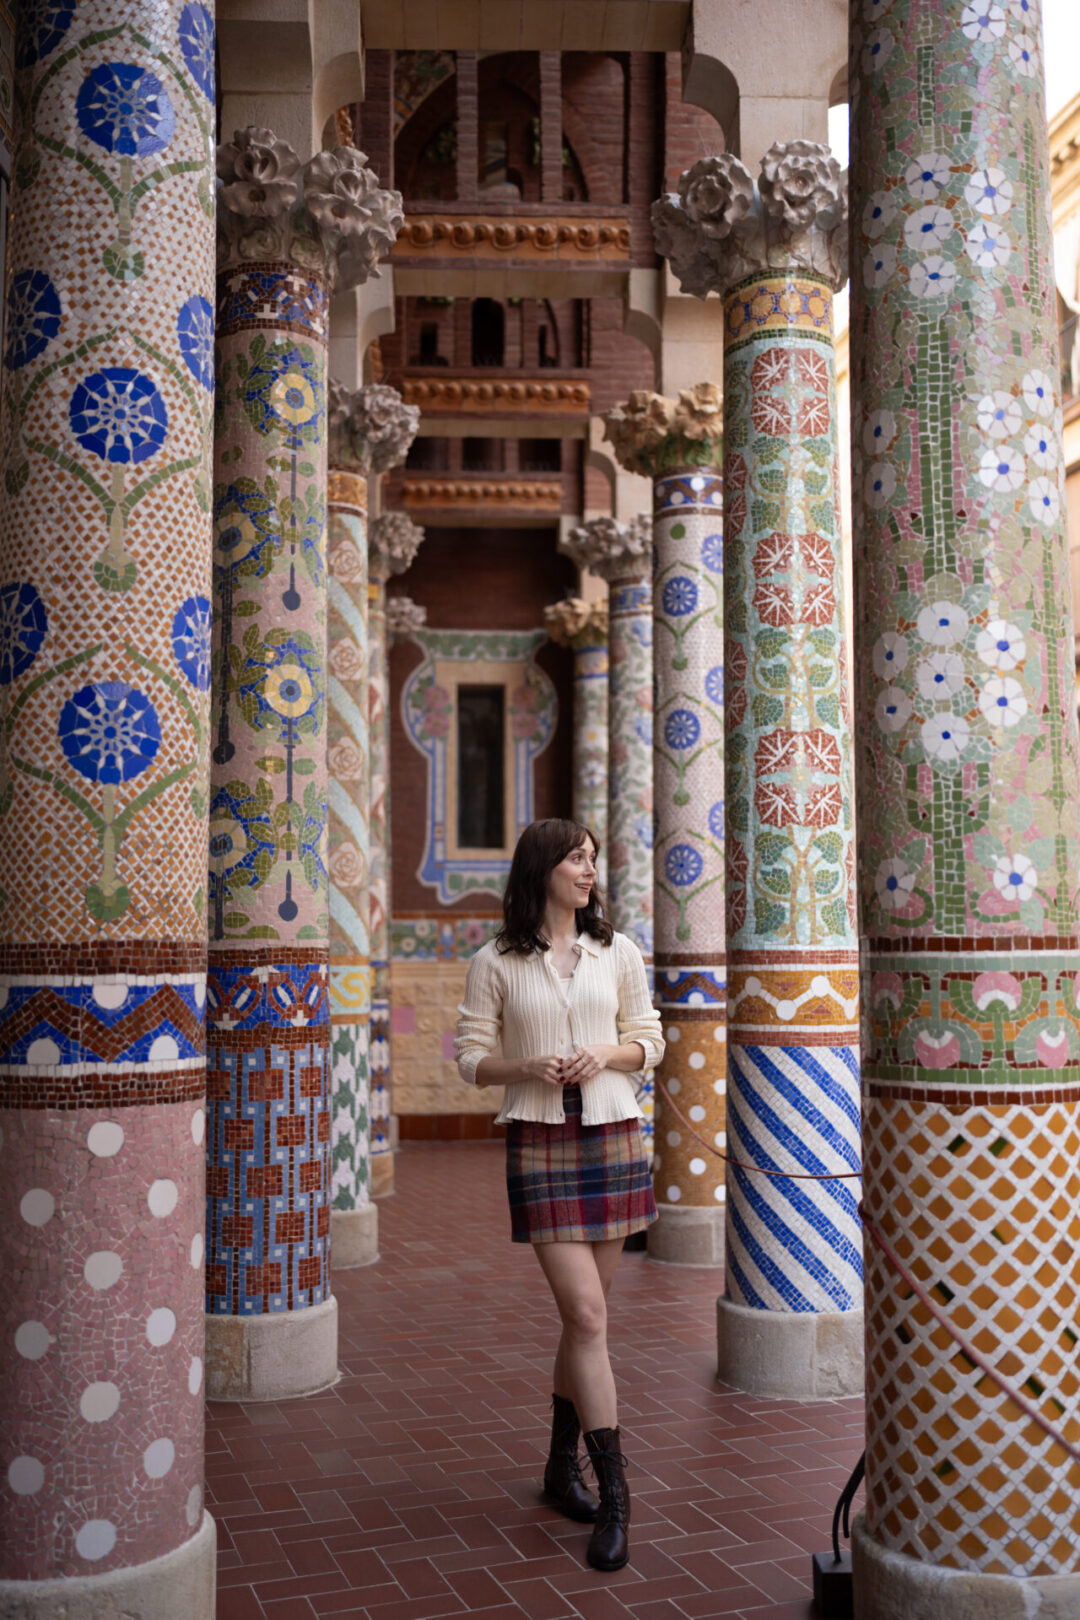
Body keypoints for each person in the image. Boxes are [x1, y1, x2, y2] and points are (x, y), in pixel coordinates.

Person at [455, 818, 664, 1572]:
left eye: (592, 861)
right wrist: (528, 1066)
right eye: (576, 859)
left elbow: (651, 1040)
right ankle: (614, 1497)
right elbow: (470, 1059)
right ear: (542, 869)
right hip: (540, 1143)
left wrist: (603, 1054)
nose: (588, 871)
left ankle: (555, 1468)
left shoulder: (620, 951)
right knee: (585, 1314)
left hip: (612, 1138)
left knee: (586, 1325)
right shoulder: (496, 961)